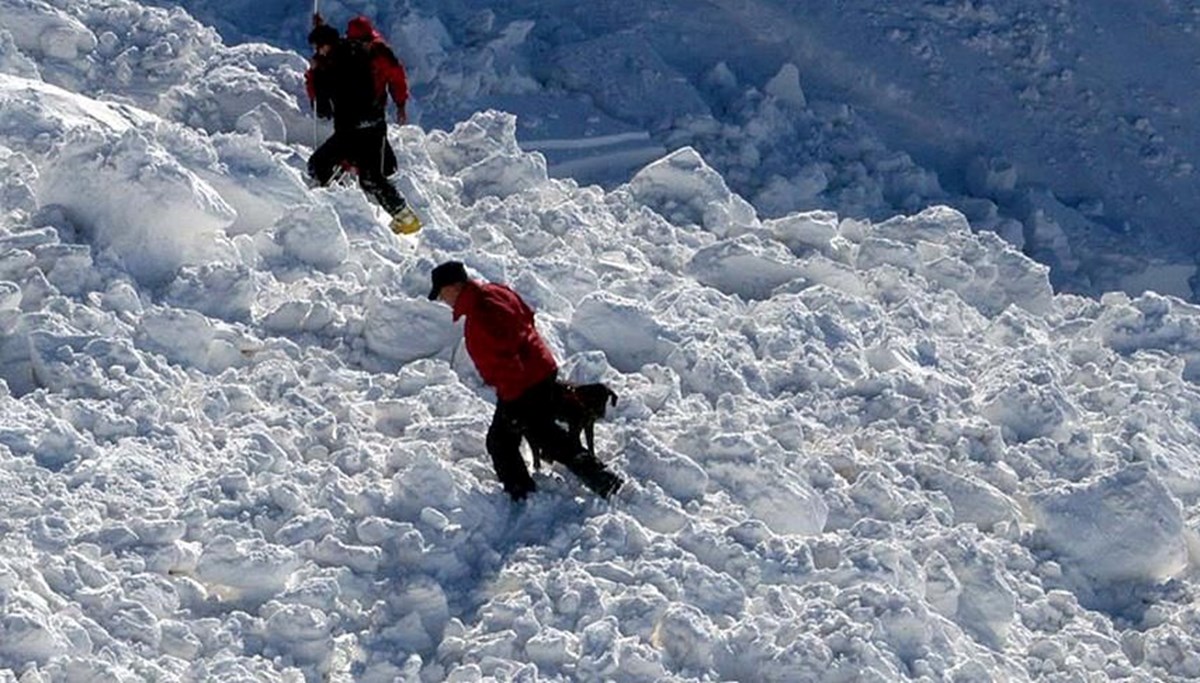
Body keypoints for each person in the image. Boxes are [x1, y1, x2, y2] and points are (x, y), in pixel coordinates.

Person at [428, 261, 624, 501]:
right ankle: (580, 410)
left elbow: (506, 357)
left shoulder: (482, 314)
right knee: (541, 430)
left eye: (441, 292)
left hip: (522, 383)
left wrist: (512, 403)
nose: (441, 299)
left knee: (505, 441)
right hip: (540, 368)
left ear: (455, 286)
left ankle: (524, 495)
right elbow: (527, 317)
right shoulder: (494, 291)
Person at [305, 14, 420, 234]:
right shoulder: (362, 53)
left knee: (318, 165)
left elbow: (322, 108)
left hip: (351, 129)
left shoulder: (331, 65)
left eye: (319, 48)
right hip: (375, 124)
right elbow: (394, 75)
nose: (318, 52)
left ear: (324, 47)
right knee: (371, 177)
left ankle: (318, 221)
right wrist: (400, 103)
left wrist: (315, 73)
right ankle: (406, 219)